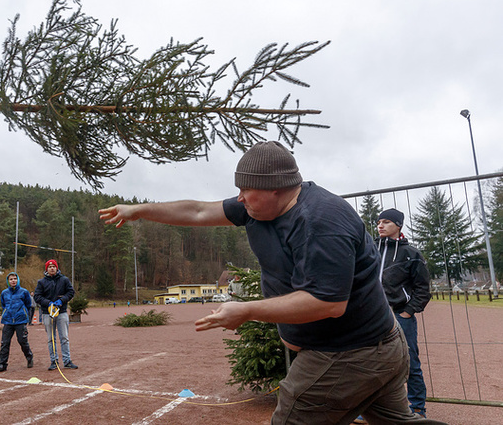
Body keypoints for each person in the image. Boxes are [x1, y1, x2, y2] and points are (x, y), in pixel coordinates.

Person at [99, 141, 446, 424]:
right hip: (369, 349)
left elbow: (327, 303)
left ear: (276, 189)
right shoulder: (256, 208)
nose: (239, 198)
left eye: (246, 190)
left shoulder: (321, 221)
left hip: (349, 353)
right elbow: (198, 211)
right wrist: (140, 210)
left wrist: (247, 310)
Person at [376, 208, 432, 417]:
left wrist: (408, 311)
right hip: (373, 316)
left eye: (387, 222)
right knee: (372, 361)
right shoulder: (370, 250)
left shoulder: (411, 254)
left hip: (400, 315)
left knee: (409, 361)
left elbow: (422, 288)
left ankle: (417, 407)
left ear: (398, 225)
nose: (380, 225)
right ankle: (373, 409)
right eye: (379, 222)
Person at [34, 259, 78, 370]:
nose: (52, 268)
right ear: (46, 269)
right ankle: (54, 361)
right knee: (51, 338)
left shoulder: (64, 280)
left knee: (64, 337)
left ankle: (67, 361)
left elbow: (71, 292)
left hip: (61, 312)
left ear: (57, 268)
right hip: (47, 314)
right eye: (49, 267)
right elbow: (37, 297)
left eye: (54, 266)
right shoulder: (41, 282)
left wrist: (62, 300)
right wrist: (48, 303)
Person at [0, 272, 34, 373]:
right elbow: (3, 304)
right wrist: (7, 312)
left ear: (18, 280)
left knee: (22, 341)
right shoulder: (4, 293)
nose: (13, 281)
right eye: (11, 279)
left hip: (20, 321)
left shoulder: (24, 292)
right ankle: (2, 364)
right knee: (4, 343)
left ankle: (29, 357)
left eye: (15, 279)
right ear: (8, 281)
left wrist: (22, 313)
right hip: (8, 321)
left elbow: (28, 304)